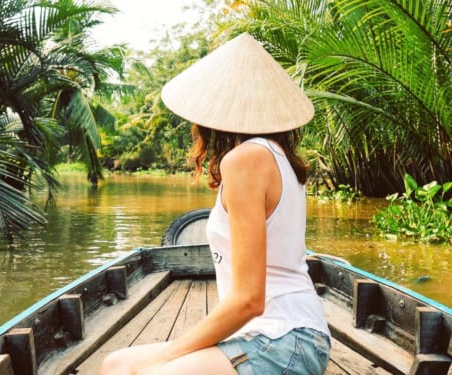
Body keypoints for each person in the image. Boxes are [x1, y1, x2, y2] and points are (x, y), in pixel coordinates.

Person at [100, 32, 330, 375]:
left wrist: (171, 355)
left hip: (285, 338)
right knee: (115, 364)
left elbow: (250, 299)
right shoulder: (275, 155)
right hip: (272, 333)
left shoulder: (247, 159)